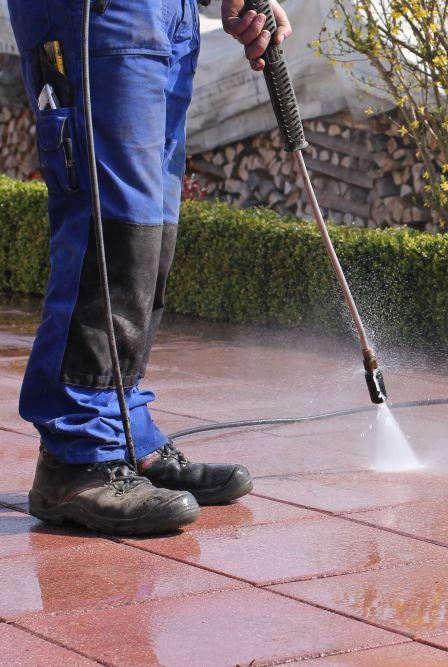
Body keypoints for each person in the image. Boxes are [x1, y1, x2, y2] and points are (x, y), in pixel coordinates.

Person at [7, 0, 292, 535]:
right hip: (95, 11)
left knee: (151, 226)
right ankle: (77, 456)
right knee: (110, 223)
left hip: (169, 12)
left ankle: (124, 431)